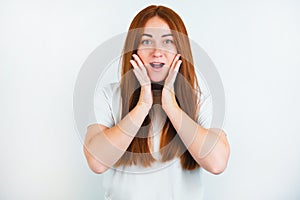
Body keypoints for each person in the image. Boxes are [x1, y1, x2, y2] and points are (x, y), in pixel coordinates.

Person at [83, 5, 230, 200]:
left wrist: (171, 106)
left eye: (168, 41)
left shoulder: (200, 100)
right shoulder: (108, 96)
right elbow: (97, 162)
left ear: (180, 50)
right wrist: (142, 106)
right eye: (146, 41)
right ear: (133, 50)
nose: (157, 52)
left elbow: (217, 163)